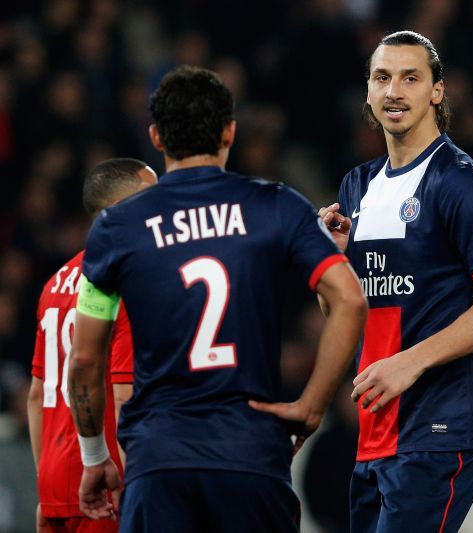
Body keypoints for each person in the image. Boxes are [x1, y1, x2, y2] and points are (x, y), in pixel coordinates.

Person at [67, 66, 367, 532]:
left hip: (159, 460)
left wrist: (93, 455)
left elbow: (85, 359)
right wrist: (312, 404)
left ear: (156, 137)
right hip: (251, 457)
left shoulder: (116, 227)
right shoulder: (277, 206)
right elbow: (350, 300)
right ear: (230, 132)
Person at [319, 31, 473, 532]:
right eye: (382, 78)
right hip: (377, 429)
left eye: (410, 78)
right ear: (367, 91)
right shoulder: (356, 186)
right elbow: (353, 312)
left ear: (437, 92)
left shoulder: (459, 183)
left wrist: (410, 362)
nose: (394, 92)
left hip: (442, 424)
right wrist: (336, 268)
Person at [28, 158, 156, 533]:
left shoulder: (55, 282)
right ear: (120, 209)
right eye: (153, 197)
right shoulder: (124, 283)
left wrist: (47, 489)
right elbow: (123, 397)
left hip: (57, 484)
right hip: (108, 485)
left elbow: (37, 394)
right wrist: (137, 492)